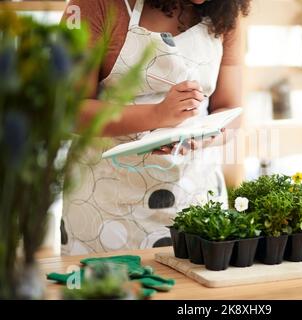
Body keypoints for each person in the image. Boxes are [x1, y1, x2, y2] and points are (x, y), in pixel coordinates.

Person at [60, 0, 250, 255]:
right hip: (105, 205)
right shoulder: (95, 4)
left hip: (195, 197)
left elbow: (231, 111)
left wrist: (205, 138)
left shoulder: (226, 10)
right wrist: (157, 114)